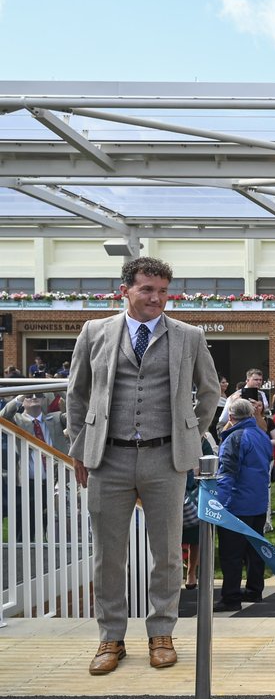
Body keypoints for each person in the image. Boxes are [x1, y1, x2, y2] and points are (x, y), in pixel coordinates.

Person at [66, 256, 220, 675]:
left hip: (164, 458)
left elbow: (209, 392)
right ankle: (111, 637)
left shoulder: (189, 336)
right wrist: (79, 447)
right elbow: (77, 394)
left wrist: (190, 433)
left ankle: (161, 633)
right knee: (108, 555)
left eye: (164, 291)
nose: (157, 298)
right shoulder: (94, 332)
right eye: (148, 290)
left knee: (167, 553)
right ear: (126, 291)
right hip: (107, 457)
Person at [213, 399, 273, 612]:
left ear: (231, 417)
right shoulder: (261, 435)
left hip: (237, 503)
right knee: (254, 548)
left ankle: (230, 597)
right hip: (258, 501)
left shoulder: (235, 438)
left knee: (231, 553)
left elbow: (227, 473)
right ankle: (254, 589)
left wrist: (218, 504)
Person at [1, 392, 70, 541]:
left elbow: (76, 417)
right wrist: (19, 397)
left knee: (56, 530)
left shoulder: (56, 418)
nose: (33, 397)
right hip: (27, 486)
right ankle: (23, 561)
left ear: (45, 399)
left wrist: (61, 391)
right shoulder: (16, 420)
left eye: (38, 394)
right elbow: (2, 417)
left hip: (56, 483)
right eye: (28, 395)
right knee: (25, 529)